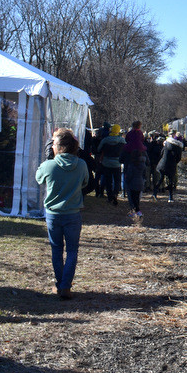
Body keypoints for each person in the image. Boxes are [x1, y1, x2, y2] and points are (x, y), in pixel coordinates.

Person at [35, 128, 90, 300]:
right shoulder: (81, 164)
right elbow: (86, 182)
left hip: (53, 214)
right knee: (72, 250)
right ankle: (66, 286)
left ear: (57, 146)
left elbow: (38, 178)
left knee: (56, 249)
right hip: (73, 213)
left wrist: (48, 160)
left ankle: (60, 284)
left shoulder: (48, 165)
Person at [96, 124, 125, 205]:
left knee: (108, 181)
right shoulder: (122, 141)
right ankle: (115, 193)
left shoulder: (105, 140)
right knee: (117, 180)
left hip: (106, 163)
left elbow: (99, 149)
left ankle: (109, 197)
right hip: (117, 163)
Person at [154, 132, 184, 202]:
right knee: (170, 182)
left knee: (160, 180)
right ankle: (170, 197)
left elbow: (161, 153)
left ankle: (154, 194)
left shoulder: (167, 144)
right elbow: (178, 158)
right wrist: (174, 162)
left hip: (162, 164)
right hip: (171, 166)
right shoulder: (179, 147)